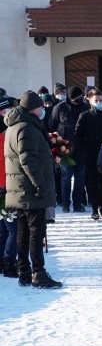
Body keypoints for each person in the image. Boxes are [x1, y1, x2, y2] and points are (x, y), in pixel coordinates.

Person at [3, 91, 62, 288]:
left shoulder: (14, 125)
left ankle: (25, 272)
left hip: (20, 188)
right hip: (30, 188)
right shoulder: (26, 127)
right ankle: (38, 273)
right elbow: (27, 160)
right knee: (36, 230)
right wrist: (39, 184)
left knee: (23, 231)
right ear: (33, 108)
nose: (43, 110)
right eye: (40, 107)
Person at [75, 88, 102, 220]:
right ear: (90, 101)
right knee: (92, 182)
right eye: (96, 100)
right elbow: (78, 136)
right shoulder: (85, 116)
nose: (99, 102)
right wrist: (85, 148)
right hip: (91, 155)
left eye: (100, 100)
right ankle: (94, 208)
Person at [49, 85, 87, 212]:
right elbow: (52, 126)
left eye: (79, 97)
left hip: (81, 147)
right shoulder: (60, 108)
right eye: (75, 98)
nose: (77, 100)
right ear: (69, 98)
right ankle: (65, 203)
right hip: (64, 147)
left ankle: (78, 203)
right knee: (66, 176)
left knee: (80, 176)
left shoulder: (85, 107)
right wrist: (56, 145)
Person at [0, 95, 19, 278]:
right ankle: (8, 263)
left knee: (3, 228)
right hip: (6, 185)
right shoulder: (7, 133)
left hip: (4, 184)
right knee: (13, 228)